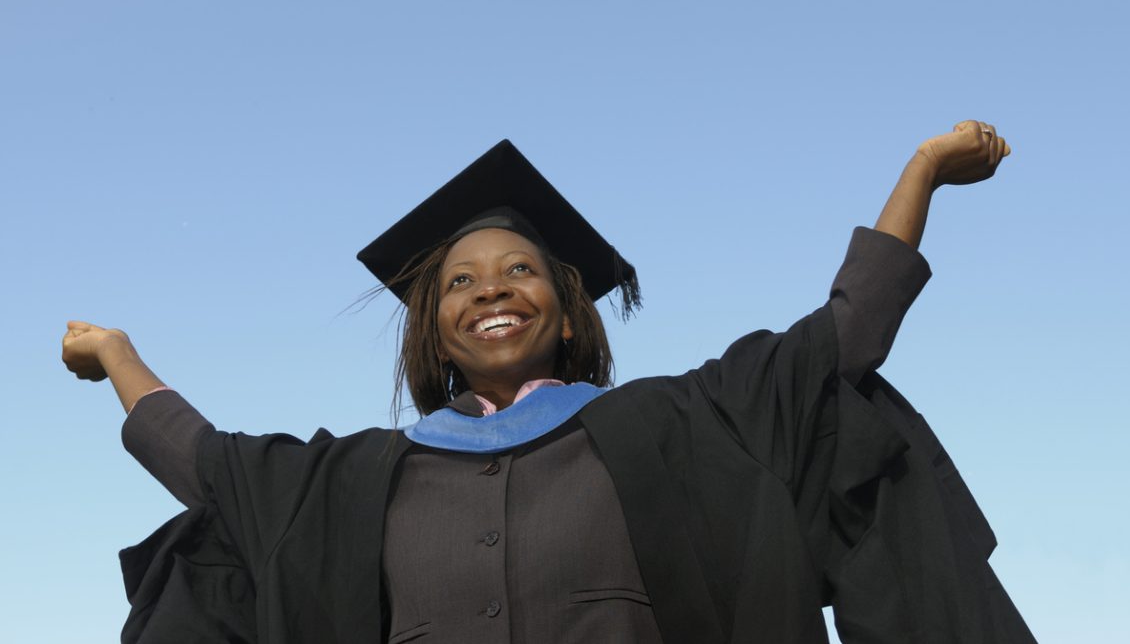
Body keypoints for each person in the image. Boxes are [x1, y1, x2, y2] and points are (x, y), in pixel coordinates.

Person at [62, 121, 1036, 644]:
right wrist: (115, 351)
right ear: (433, 326)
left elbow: (844, 338)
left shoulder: (680, 427)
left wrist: (922, 171)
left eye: (520, 268)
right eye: (460, 279)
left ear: (569, 309)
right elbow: (206, 461)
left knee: (863, 436)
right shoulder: (361, 484)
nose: (491, 287)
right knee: (207, 553)